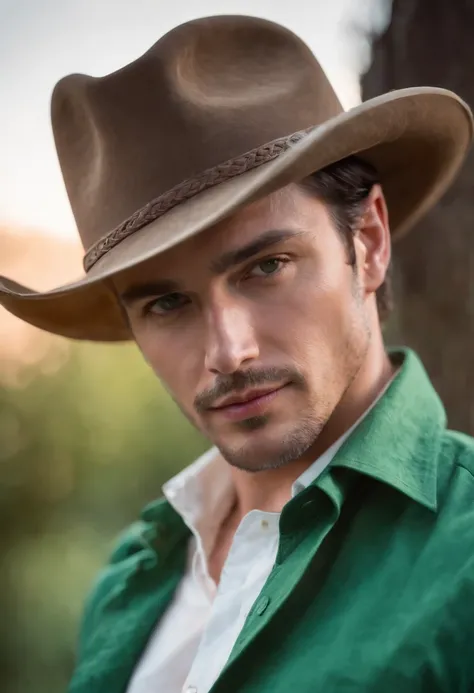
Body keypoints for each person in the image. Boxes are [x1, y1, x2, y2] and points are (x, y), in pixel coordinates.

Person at [2, 14, 474, 693]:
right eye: (166, 304)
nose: (229, 350)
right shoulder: (132, 578)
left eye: (267, 266)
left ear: (367, 241)